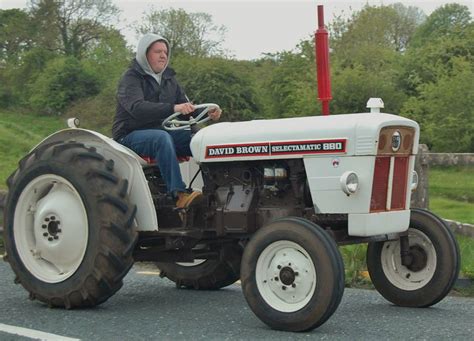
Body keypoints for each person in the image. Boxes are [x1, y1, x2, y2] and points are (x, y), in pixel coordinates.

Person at [112, 33, 222, 208]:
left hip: (161, 132)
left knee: (201, 140)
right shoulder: (131, 78)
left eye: (165, 52)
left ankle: (217, 192)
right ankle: (179, 194)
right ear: (144, 54)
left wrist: (207, 111)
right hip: (129, 135)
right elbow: (137, 108)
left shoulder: (169, 79)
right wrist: (173, 108)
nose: (163, 55)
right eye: (157, 51)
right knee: (161, 138)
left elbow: (186, 109)